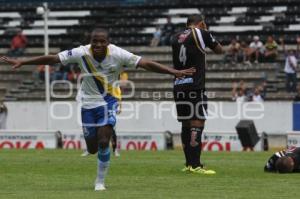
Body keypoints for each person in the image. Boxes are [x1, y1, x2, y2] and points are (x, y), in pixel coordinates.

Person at [0, 28, 195, 191]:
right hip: (87, 104)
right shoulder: (81, 52)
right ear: (91, 42)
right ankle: (97, 151)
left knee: (103, 141)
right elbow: (53, 59)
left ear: (108, 42)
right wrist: (23, 62)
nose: (98, 44)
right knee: (93, 148)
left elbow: (145, 64)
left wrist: (173, 72)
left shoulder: (118, 53)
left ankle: (99, 182)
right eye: (95, 41)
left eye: (102, 41)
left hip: (108, 101)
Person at [171, 14, 223, 175]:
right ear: (201, 23)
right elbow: (220, 50)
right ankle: (196, 165)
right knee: (197, 122)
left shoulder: (175, 37)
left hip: (179, 85)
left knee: (186, 124)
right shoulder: (202, 33)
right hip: (195, 86)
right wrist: (206, 33)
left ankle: (188, 164)